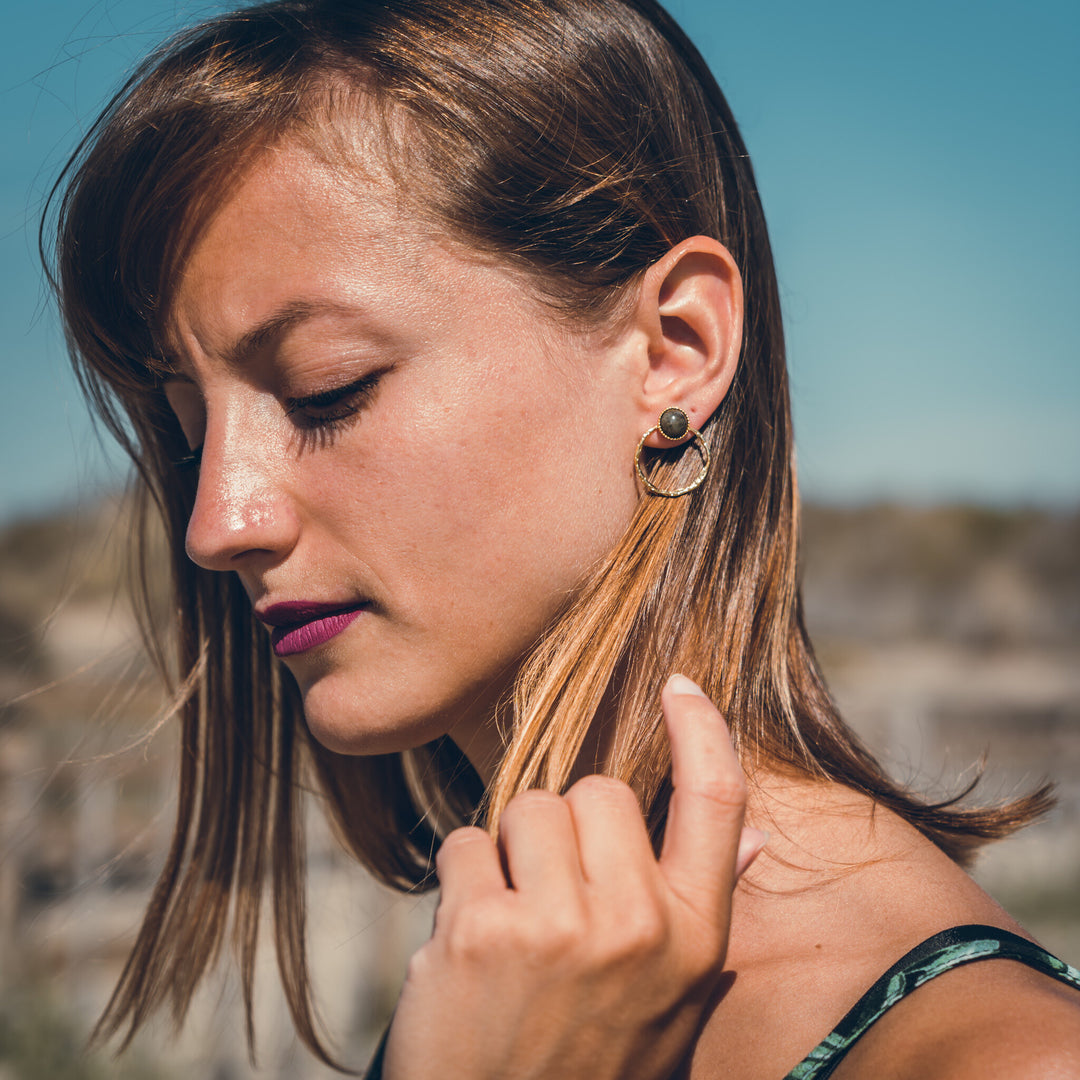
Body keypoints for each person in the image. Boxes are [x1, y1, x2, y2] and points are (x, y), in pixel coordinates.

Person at [43, 0, 1080, 1076]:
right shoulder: (506, 981)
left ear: (675, 350)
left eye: (326, 390)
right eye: (184, 427)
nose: (218, 522)